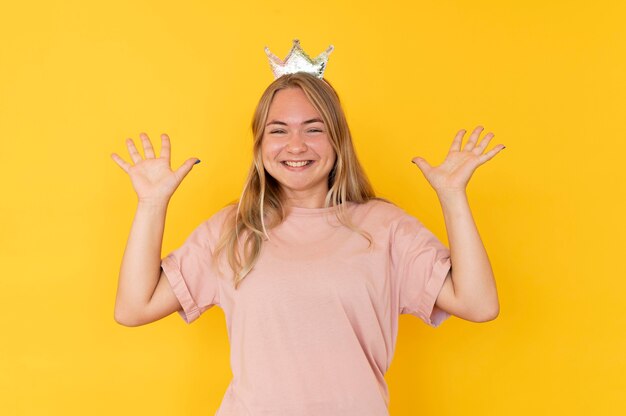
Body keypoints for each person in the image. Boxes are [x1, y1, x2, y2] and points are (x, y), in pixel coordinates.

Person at [111, 41, 502, 415]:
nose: (295, 146)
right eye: (278, 130)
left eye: (313, 129)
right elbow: (134, 307)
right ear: (260, 144)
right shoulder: (231, 230)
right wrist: (151, 205)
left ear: (337, 141)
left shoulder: (385, 227)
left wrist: (452, 198)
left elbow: (478, 303)